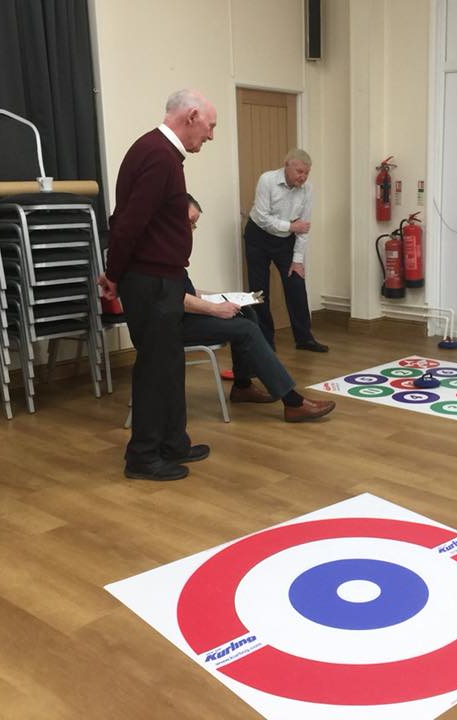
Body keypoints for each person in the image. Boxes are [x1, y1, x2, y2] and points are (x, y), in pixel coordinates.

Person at [98, 89, 217, 482]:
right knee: (153, 368)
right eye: (210, 126)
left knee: (169, 364)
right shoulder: (157, 155)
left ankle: (173, 443)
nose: (211, 135)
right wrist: (114, 274)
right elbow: (128, 222)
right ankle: (143, 457)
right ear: (192, 116)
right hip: (150, 281)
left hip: (161, 278)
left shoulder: (161, 154)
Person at [182, 195, 335, 422]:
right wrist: (215, 309)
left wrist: (224, 297)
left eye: (195, 224)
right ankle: (292, 402)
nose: (192, 229)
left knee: (247, 312)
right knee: (246, 329)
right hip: (172, 325)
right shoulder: (160, 252)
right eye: (190, 222)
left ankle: (242, 386)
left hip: (183, 316)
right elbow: (173, 298)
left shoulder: (173, 249)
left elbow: (185, 291)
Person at [244, 148, 329, 353]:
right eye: (299, 172)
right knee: (259, 291)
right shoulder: (267, 180)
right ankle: (265, 341)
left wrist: (297, 260)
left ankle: (304, 338)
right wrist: (291, 226)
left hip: (285, 241)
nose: (303, 177)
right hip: (258, 237)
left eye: (306, 173)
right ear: (287, 166)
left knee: (296, 285)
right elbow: (263, 218)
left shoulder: (307, 189)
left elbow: (304, 227)